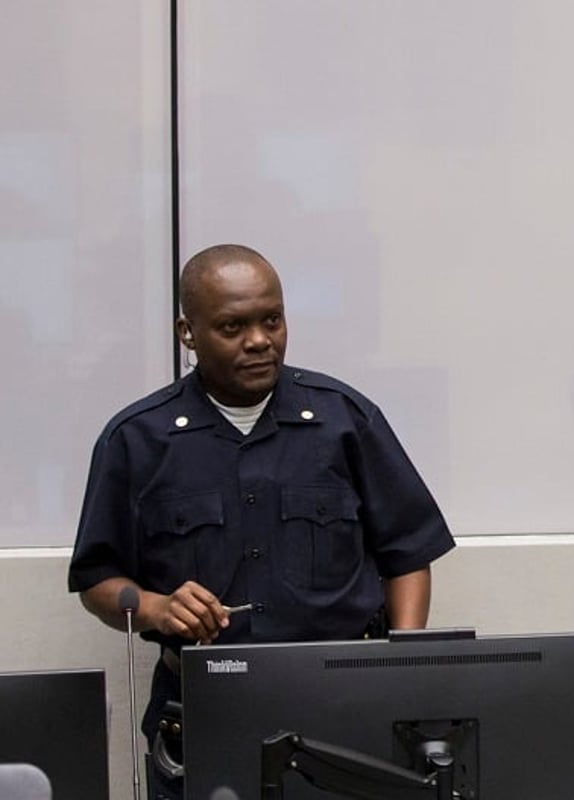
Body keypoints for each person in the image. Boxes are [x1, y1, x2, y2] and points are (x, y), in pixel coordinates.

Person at [68, 244, 455, 798]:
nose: (258, 340)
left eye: (271, 320)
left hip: (345, 709)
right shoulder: (137, 440)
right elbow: (98, 580)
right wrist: (157, 607)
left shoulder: (343, 420)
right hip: (202, 713)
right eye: (232, 326)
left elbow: (408, 556)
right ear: (188, 332)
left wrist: (396, 669)